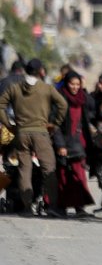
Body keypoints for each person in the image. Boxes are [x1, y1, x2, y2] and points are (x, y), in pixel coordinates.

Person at [0, 59, 67, 216]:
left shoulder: (15, 88)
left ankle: (26, 207)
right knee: (48, 168)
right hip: (41, 133)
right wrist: (55, 124)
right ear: (40, 71)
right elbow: (63, 105)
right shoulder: (46, 88)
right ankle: (52, 207)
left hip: (21, 133)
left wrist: (9, 125)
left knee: (24, 170)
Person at [52, 71, 95, 215]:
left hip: (78, 143)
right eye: (72, 84)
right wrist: (60, 145)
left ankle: (80, 206)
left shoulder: (83, 99)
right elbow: (55, 124)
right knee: (63, 175)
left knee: (79, 175)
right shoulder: (60, 99)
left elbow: (91, 111)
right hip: (63, 143)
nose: (75, 87)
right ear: (66, 83)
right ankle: (61, 207)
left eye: (78, 84)